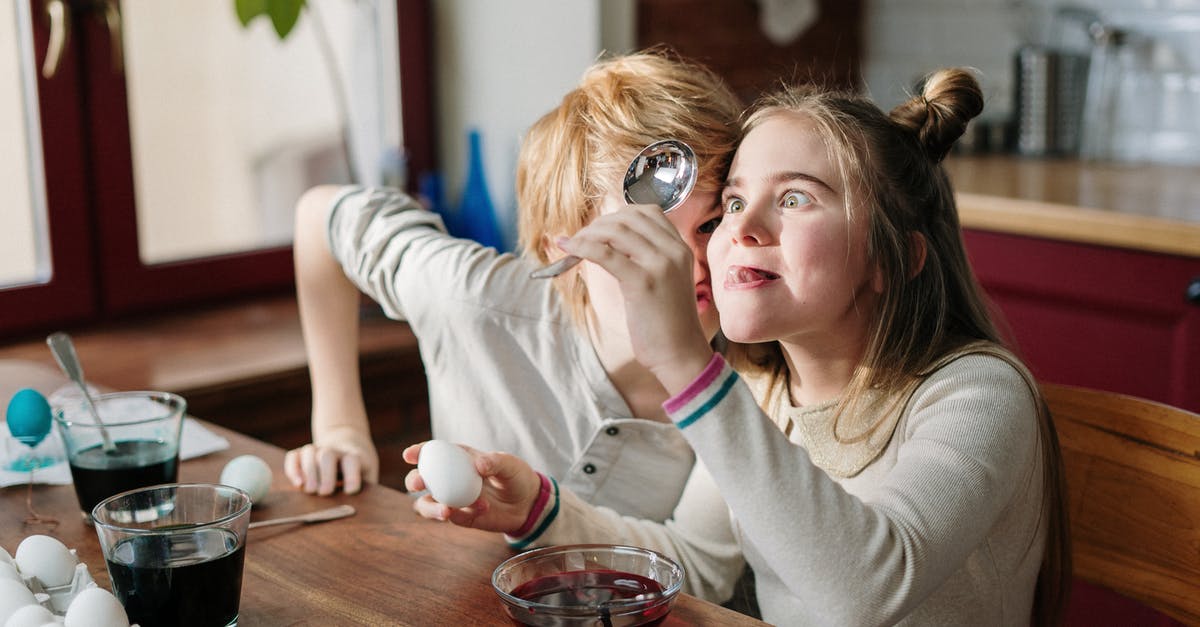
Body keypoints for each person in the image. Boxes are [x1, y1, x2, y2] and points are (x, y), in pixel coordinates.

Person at [403, 68, 1072, 625]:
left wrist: (690, 370)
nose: (742, 228)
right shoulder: (763, 387)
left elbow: (865, 592)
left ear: (890, 260)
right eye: (732, 202)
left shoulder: (977, 394)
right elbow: (698, 562)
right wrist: (540, 511)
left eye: (797, 199)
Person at [282, 47, 743, 534]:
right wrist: (340, 428)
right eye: (645, 235)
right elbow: (319, 217)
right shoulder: (476, 300)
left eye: (711, 224)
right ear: (561, 252)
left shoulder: (755, 374)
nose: (687, 263)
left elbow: (699, 568)